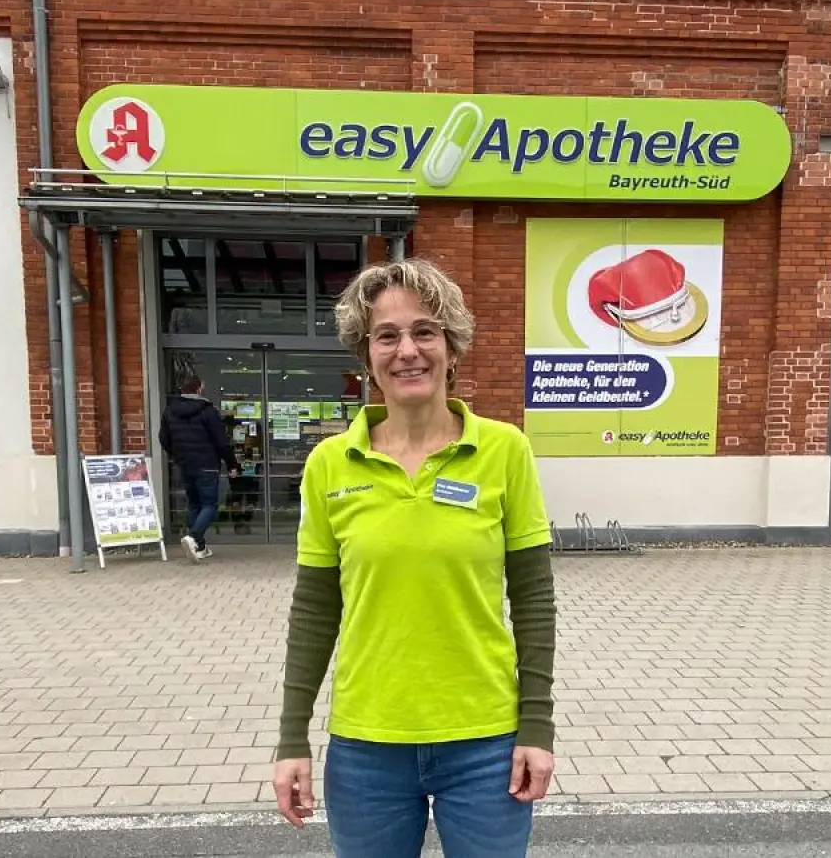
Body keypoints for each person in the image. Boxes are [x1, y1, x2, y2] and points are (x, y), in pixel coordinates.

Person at [271, 258, 558, 858]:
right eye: (387, 335)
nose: (408, 350)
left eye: (425, 331)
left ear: (452, 346)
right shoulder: (329, 465)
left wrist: (537, 726)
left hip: (485, 742)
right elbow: (315, 609)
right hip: (367, 747)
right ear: (366, 354)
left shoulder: (505, 451)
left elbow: (533, 600)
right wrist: (291, 736)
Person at [158, 374, 241, 562]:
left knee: (194, 504)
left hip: (185, 464)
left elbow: (163, 438)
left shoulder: (170, 410)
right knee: (210, 505)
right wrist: (232, 464)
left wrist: (176, 455)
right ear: (198, 389)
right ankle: (194, 537)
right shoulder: (207, 411)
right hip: (207, 465)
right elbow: (221, 441)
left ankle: (200, 547)